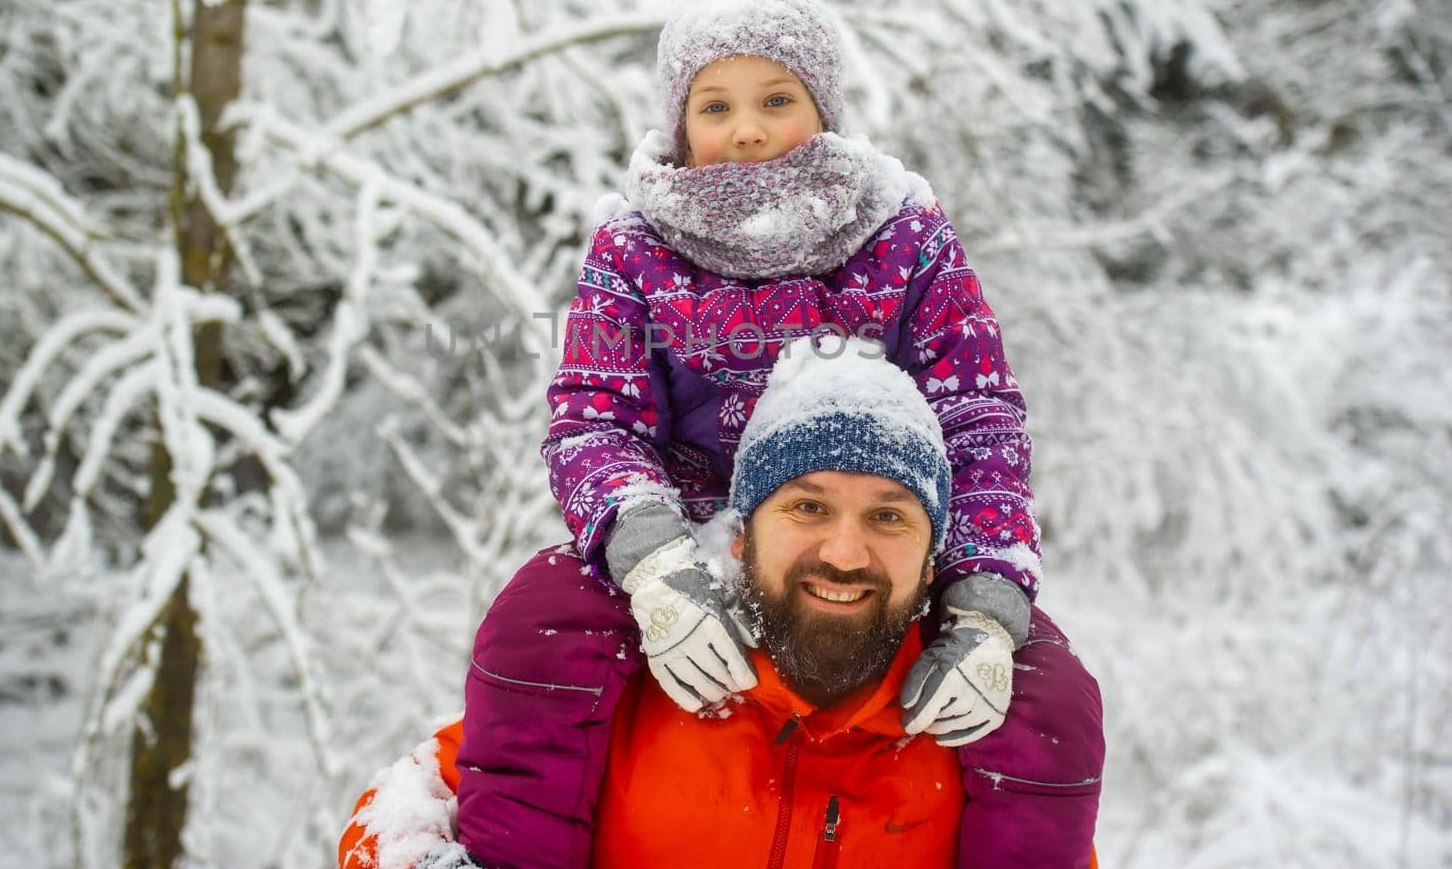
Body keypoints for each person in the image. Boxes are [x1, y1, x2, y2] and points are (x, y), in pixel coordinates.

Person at [459, 0, 1102, 868]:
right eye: (716, 106)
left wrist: (984, 606)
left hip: (866, 520)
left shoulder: (902, 233)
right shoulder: (636, 244)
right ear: (679, 123)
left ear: (823, 109)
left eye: (777, 99)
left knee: (1050, 699)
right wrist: (652, 563)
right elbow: (596, 414)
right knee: (544, 621)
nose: (749, 130)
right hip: (688, 531)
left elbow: (978, 416)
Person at [341, 341, 1101, 867]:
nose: (845, 550)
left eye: (889, 516)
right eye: (807, 507)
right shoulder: (620, 687)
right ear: (738, 538)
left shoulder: (983, 746)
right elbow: (406, 795)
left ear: (934, 558)